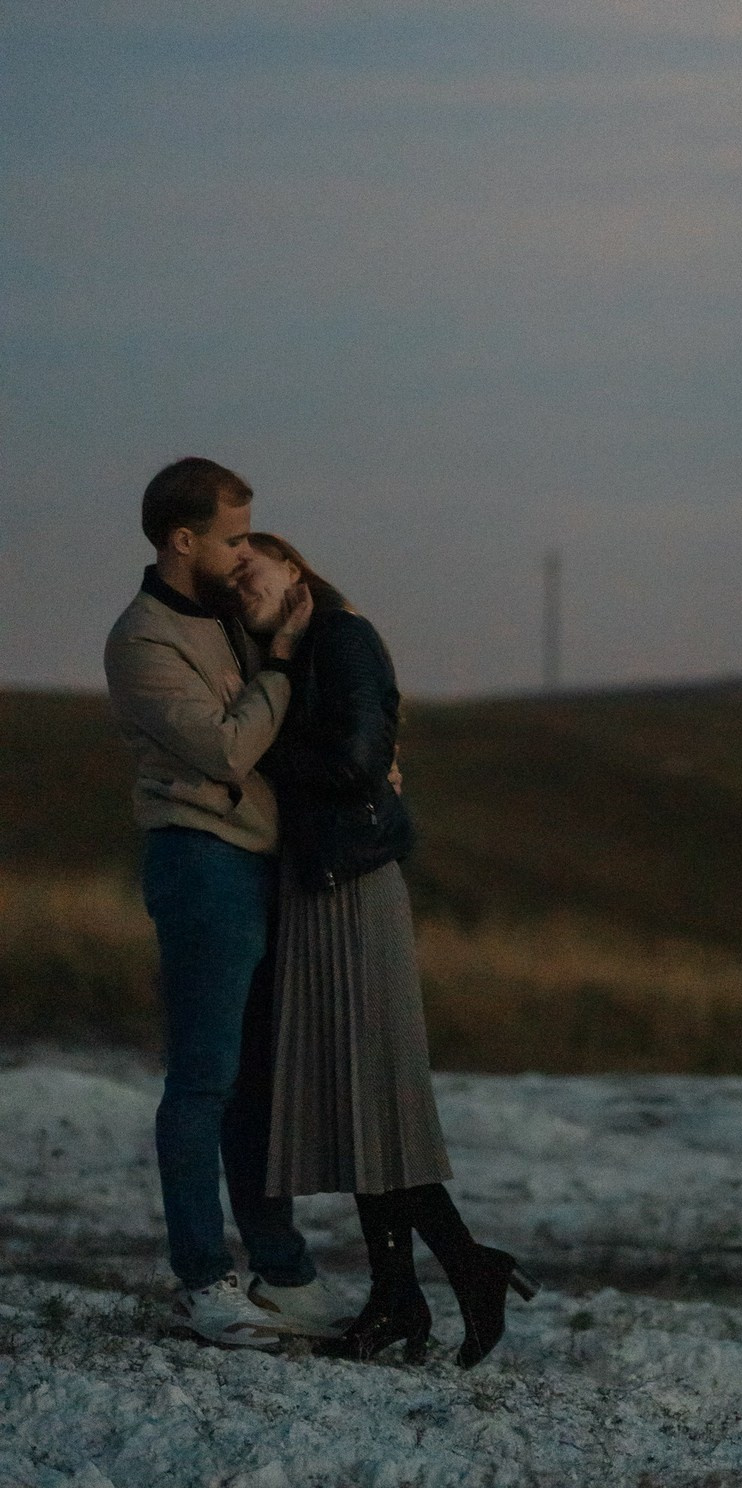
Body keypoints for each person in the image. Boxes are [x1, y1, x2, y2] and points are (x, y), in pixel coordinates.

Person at [235, 532, 537, 1367]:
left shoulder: (342, 636)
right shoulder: (298, 650)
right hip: (320, 885)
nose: (239, 586)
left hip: (354, 885)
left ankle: (456, 1271)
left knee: (373, 1095)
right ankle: (407, 1290)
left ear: (292, 567)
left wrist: (257, 749)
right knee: (356, 1101)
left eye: (249, 568)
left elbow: (358, 759)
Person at [104, 458, 350, 1350]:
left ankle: (283, 1273)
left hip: (263, 864)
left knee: (256, 1084)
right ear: (183, 539)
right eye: (233, 537)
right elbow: (228, 749)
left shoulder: (231, 619)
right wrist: (279, 660)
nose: (247, 552)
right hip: (200, 862)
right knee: (203, 1079)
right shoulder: (142, 641)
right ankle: (205, 1284)